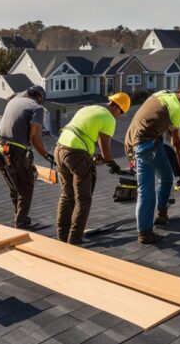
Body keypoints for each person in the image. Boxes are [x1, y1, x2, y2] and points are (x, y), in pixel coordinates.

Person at [125, 83, 180, 244]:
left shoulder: (163, 93)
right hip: (144, 146)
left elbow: (158, 124)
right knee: (147, 191)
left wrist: (178, 171)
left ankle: (162, 214)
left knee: (166, 177)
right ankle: (145, 232)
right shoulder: (177, 111)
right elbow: (177, 144)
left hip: (142, 140)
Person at [54, 93, 130, 245]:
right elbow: (105, 148)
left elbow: (85, 136)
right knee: (83, 199)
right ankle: (74, 240)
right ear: (116, 107)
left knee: (67, 196)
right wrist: (111, 163)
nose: (119, 116)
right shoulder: (109, 118)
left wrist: (94, 157)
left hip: (60, 149)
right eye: (121, 112)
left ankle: (61, 238)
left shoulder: (89, 109)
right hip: (75, 154)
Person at [0, 85, 53, 228]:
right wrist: (46, 155)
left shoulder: (13, 101)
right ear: (39, 97)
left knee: (15, 186)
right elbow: (34, 138)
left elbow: (19, 124)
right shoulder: (37, 108)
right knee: (26, 186)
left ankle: (20, 217)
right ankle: (20, 222)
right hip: (15, 151)